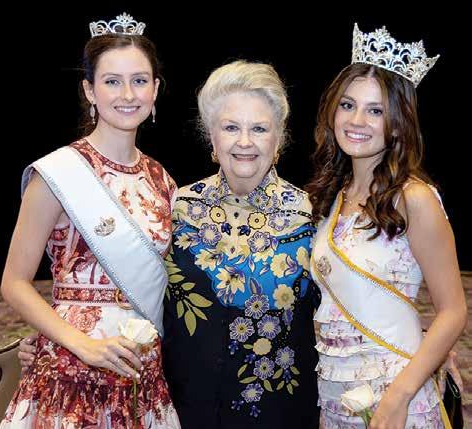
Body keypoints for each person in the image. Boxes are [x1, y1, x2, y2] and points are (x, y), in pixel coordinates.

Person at [0, 13, 180, 428]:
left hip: (140, 372)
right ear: (89, 90)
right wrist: (82, 344)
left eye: (139, 80)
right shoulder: (57, 174)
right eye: (112, 81)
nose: (127, 94)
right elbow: (14, 282)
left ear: (155, 89)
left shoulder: (163, 181)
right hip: (70, 371)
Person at [307, 24, 467, 428]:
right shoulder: (332, 196)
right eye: (348, 105)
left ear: (397, 122)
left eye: (375, 110)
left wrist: (398, 397)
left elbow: (453, 311)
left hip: (398, 397)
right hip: (336, 391)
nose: (357, 120)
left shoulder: (414, 198)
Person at [161, 60, 320, 428]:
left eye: (259, 129)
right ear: (211, 136)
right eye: (231, 127)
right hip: (188, 411)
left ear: (279, 139)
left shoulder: (311, 216)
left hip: (281, 413)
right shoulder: (175, 207)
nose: (244, 141)